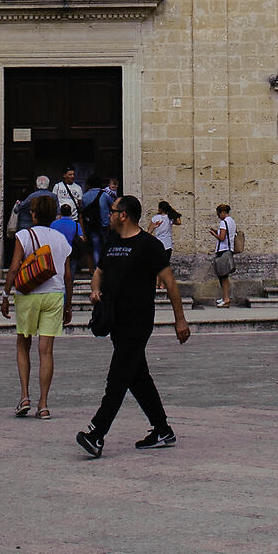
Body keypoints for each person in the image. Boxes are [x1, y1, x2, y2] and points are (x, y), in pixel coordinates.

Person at [77, 195, 189, 458]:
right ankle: (163, 430)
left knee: (117, 377)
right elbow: (100, 272)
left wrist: (180, 319)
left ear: (123, 215)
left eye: (113, 211)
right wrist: (95, 290)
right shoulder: (112, 242)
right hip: (115, 319)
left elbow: (170, 283)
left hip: (137, 321)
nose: (109, 215)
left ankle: (96, 433)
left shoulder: (149, 245)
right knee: (137, 377)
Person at [1, 193, 74, 418]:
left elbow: (14, 269)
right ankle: (43, 404)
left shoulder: (25, 235)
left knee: (23, 344)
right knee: (47, 351)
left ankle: (24, 396)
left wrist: (5, 294)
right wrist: (68, 304)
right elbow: (68, 275)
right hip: (54, 295)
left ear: (33, 215)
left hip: (28, 294)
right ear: (54, 216)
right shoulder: (61, 239)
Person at [208, 204, 240, 308]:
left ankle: (226, 299)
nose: (218, 216)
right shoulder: (232, 221)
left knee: (223, 276)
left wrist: (214, 234)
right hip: (229, 249)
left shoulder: (223, 222)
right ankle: (225, 297)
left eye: (218, 213)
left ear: (222, 212)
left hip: (223, 250)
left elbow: (221, 238)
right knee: (223, 276)